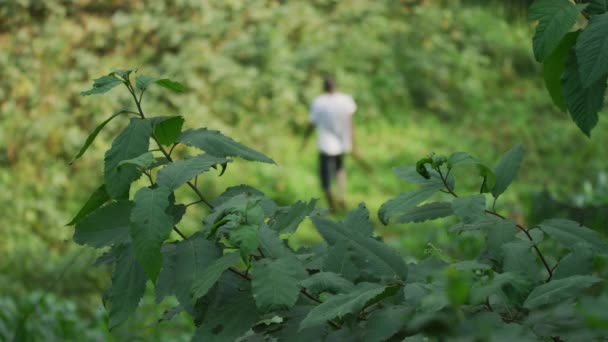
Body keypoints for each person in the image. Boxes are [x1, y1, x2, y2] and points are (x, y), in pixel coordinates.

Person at [302, 76, 357, 213]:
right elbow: (351, 123)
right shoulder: (345, 100)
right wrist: (353, 143)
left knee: (325, 177)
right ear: (335, 86)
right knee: (340, 169)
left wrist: (305, 139)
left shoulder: (319, 102)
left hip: (325, 145)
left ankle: (332, 206)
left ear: (324, 87)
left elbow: (312, 124)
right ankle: (342, 195)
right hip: (342, 143)